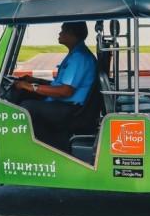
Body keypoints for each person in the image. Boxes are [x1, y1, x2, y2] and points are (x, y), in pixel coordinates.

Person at [13, 21, 97, 151]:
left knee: (25, 107)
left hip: (70, 108)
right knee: (25, 95)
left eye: (63, 30)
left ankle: (28, 149)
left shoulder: (79, 58)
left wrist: (31, 87)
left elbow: (65, 91)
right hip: (65, 104)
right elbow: (59, 84)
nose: (59, 33)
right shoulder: (75, 54)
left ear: (71, 34)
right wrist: (34, 80)